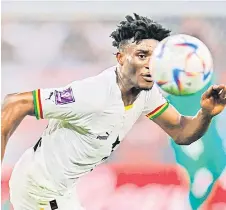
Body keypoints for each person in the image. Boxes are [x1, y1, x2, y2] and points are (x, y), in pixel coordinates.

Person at [1, 13, 226, 210]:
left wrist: (205, 113)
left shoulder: (146, 93)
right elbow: (15, 103)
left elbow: (181, 132)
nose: (150, 65)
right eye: (141, 55)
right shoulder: (92, 95)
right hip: (39, 190)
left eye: (155, 58)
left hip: (62, 190)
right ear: (120, 58)